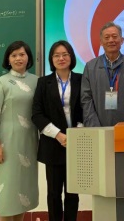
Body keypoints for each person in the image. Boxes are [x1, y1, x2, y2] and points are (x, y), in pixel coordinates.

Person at [0, 41, 39, 221]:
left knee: (24, 188)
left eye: (22, 54)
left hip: (29, 142)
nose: (18, 58)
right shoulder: (1, 82)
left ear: (28, 58)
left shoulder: (36, 81)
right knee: (9, 188)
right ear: (8, 59)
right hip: (7, 143)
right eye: (14, 55)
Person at [32, 40, 83, 221]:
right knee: (54, 193)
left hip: (76, 142)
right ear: (51, 59)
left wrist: (76, 132)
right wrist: (58, 135)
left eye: (65, 54)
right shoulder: (43, 82)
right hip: (53, 143)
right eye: (56, 55)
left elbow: (87, 108)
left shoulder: (81, 79)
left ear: (71, 57)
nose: (61, 58)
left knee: (72, 192)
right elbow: (37, 114)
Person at [81, 21, 124, 127]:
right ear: (101, 42)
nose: (111, 40)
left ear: (122, 40)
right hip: (98, 128)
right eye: (107, 37)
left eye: (114, 36)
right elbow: (86, 99)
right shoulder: (90, 67)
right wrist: (94, 126)